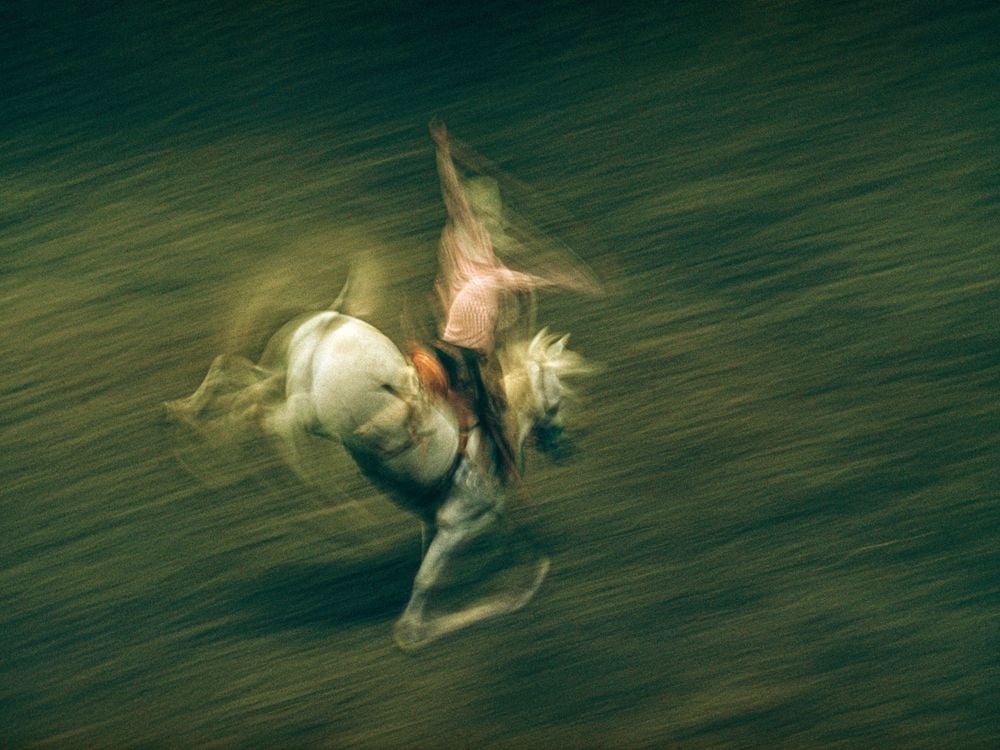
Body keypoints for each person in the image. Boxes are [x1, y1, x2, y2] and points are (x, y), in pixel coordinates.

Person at [427, 119, 583, 482]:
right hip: (462, 337)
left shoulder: (484, 248)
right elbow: (453, 194)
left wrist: (560, 280)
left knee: (505, 398)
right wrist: (444, 152)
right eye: (487, 213)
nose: (491, 219)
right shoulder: (465, 233)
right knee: (489, 403)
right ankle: (471, 471)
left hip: (478, 338)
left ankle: (530, 442)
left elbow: (515, 279)